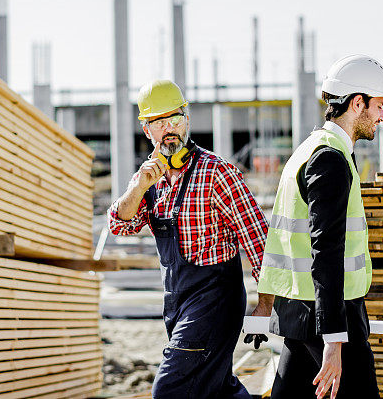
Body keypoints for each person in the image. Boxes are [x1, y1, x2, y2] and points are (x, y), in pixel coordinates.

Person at [107, 79, 273, 399]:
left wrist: (265, 306)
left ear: (187, 118)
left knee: (170, 390)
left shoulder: (217, 173)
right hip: (177, 304)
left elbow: (260, 243)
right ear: (146, 129)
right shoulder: (148, 180)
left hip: (217, 303)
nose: (169, 128)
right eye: (159, 122)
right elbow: (119, 226)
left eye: (175, 119)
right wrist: (138, 187)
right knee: (215, 389)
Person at [257, 54, 383, 399]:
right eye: (378, 105)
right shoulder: (329, 158)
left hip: (300, 314)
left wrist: (265, 303)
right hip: (331, 320)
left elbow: (285, 242)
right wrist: (335, 340)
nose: (382, 115)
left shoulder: (308, 150)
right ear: (357, 102)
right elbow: (326, 251)